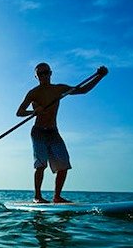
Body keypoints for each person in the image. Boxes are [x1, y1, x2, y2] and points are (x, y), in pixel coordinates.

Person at [16, 63, 108, 203]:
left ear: (50, 73)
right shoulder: (33, 93)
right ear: (36, 76)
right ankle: (37, 197)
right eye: (40, 74)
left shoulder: (59, 89)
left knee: (63, 165)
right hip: (38, 132)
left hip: (53, 131)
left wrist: (100, 76)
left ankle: (57, 197)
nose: (43, 76)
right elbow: (19, 112)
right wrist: (34, 111)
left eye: (46, 72)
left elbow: (83, 90)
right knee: (41, 165)